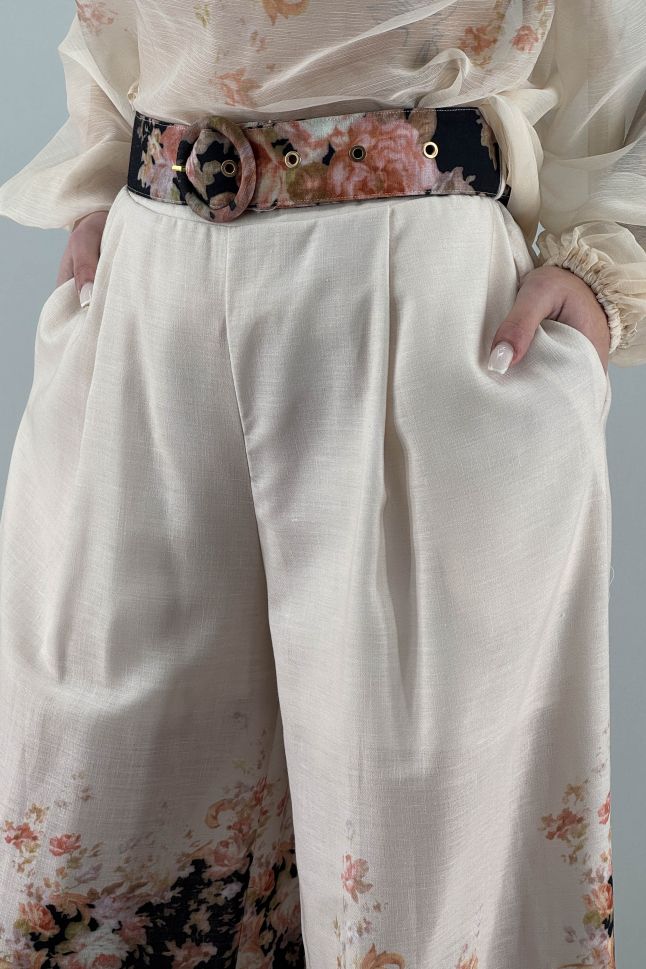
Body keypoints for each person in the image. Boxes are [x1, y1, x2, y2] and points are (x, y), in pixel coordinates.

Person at [0, 2, 644, 967]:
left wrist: (606, 260)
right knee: (104, 862)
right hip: (152, 306)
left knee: (420, 882)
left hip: (424, 316)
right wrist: (102, 182)